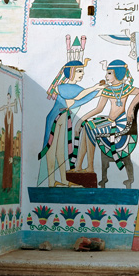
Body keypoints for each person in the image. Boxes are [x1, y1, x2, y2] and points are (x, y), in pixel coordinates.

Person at [71, 60, 139, 174]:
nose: (106, 76)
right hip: (110, 121)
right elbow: (99, 109)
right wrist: (81, 120)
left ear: (118, 73)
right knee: (86, 126)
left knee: (90, 129)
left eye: (109, 73)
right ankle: (78, 166)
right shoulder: (107, 90)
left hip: (120, 123)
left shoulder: (125, 88)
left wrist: (130, 108)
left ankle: (90, 167)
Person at [37, 59, 103, 187]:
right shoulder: (62, 87)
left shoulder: (77, 89)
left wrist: (102, 90)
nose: (82, 74)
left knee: (61, 151)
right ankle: (51, 181)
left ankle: (63, 180)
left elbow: (86, 97)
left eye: (82, 71)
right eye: (79, 71)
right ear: (71, 72)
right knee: (51, 149)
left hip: (63, 118)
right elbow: (79, 96)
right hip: (54, 119)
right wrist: (94, 87)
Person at [0, 86, 15, 191]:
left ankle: (9, 185)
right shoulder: (7, 111)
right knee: (6, 164)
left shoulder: (10, 113)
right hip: (6, 140)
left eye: (9, 98)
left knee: (9, 164)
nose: (8, 100)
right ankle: (5, 185)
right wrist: (6, 107)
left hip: (10, 141)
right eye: (7, 98)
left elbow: (9, 123)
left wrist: (9, 108)